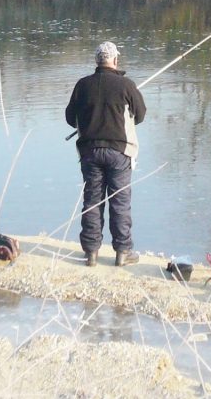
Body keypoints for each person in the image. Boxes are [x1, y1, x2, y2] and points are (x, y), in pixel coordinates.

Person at [65, 41, 146, 267]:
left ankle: (91, 253)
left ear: (96, 61)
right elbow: (140, 116)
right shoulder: (127, 85)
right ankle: (122, 252)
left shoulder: (82, 85)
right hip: (119, 152)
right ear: (115, 60)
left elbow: (70, 118)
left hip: (89, 151)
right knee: (120, 202)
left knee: (92, 201)